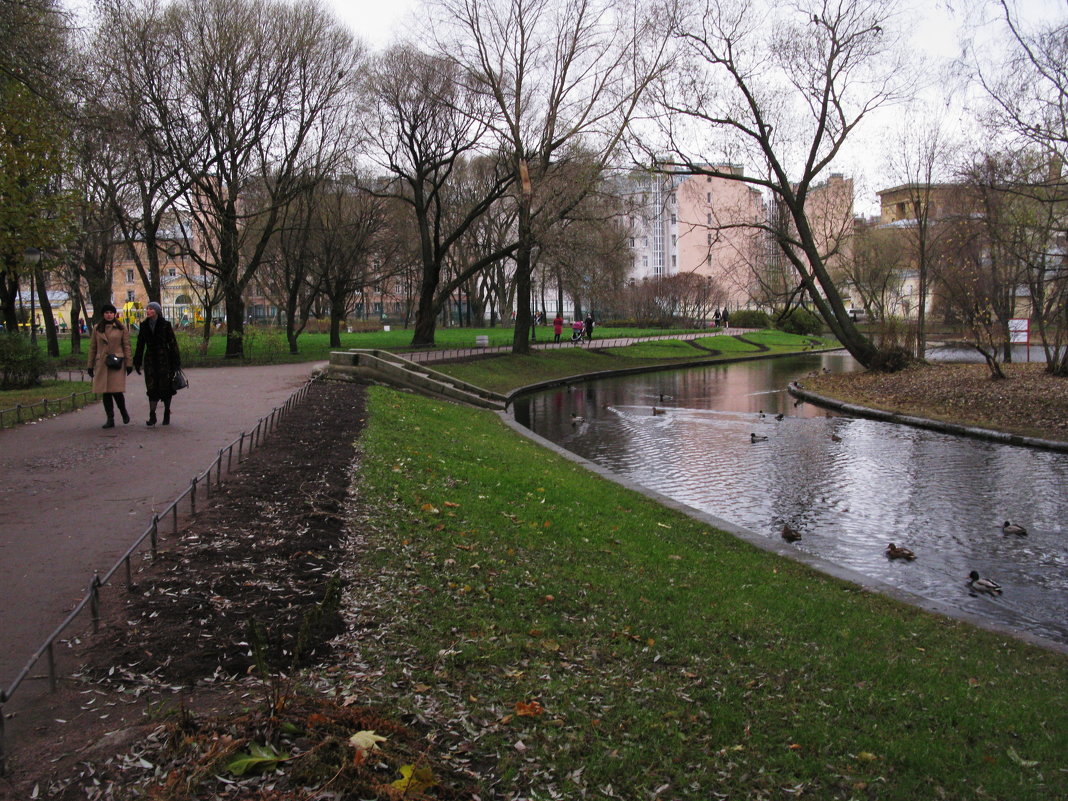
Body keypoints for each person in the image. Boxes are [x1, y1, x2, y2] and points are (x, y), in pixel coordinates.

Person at [133, 301, 182, 426]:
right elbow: (140, 345)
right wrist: (137, 361)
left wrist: (176, 363)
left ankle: (166, 412)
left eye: (151, 309)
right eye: (147, 309)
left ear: (157, 311)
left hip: (164, 360)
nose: (148, 311)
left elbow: (172, 343)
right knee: (151, 387)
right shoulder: (144, 325)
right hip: (150, 360)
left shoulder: (165, 325)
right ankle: (152, 415)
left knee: (166, 387)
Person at [87, 303, 133, 429]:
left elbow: (127, 346)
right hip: (102, 363)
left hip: (116, 363)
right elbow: (92, 347)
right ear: (103, 314)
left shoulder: (121, 328)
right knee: (105, 393)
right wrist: (90, 365)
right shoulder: (97, 328)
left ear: (114, 314)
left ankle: (123, 411)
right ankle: (110, 418)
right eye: (106, 313)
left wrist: (129, 363)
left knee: (117, 391)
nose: (109, 315)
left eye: (111, 313)